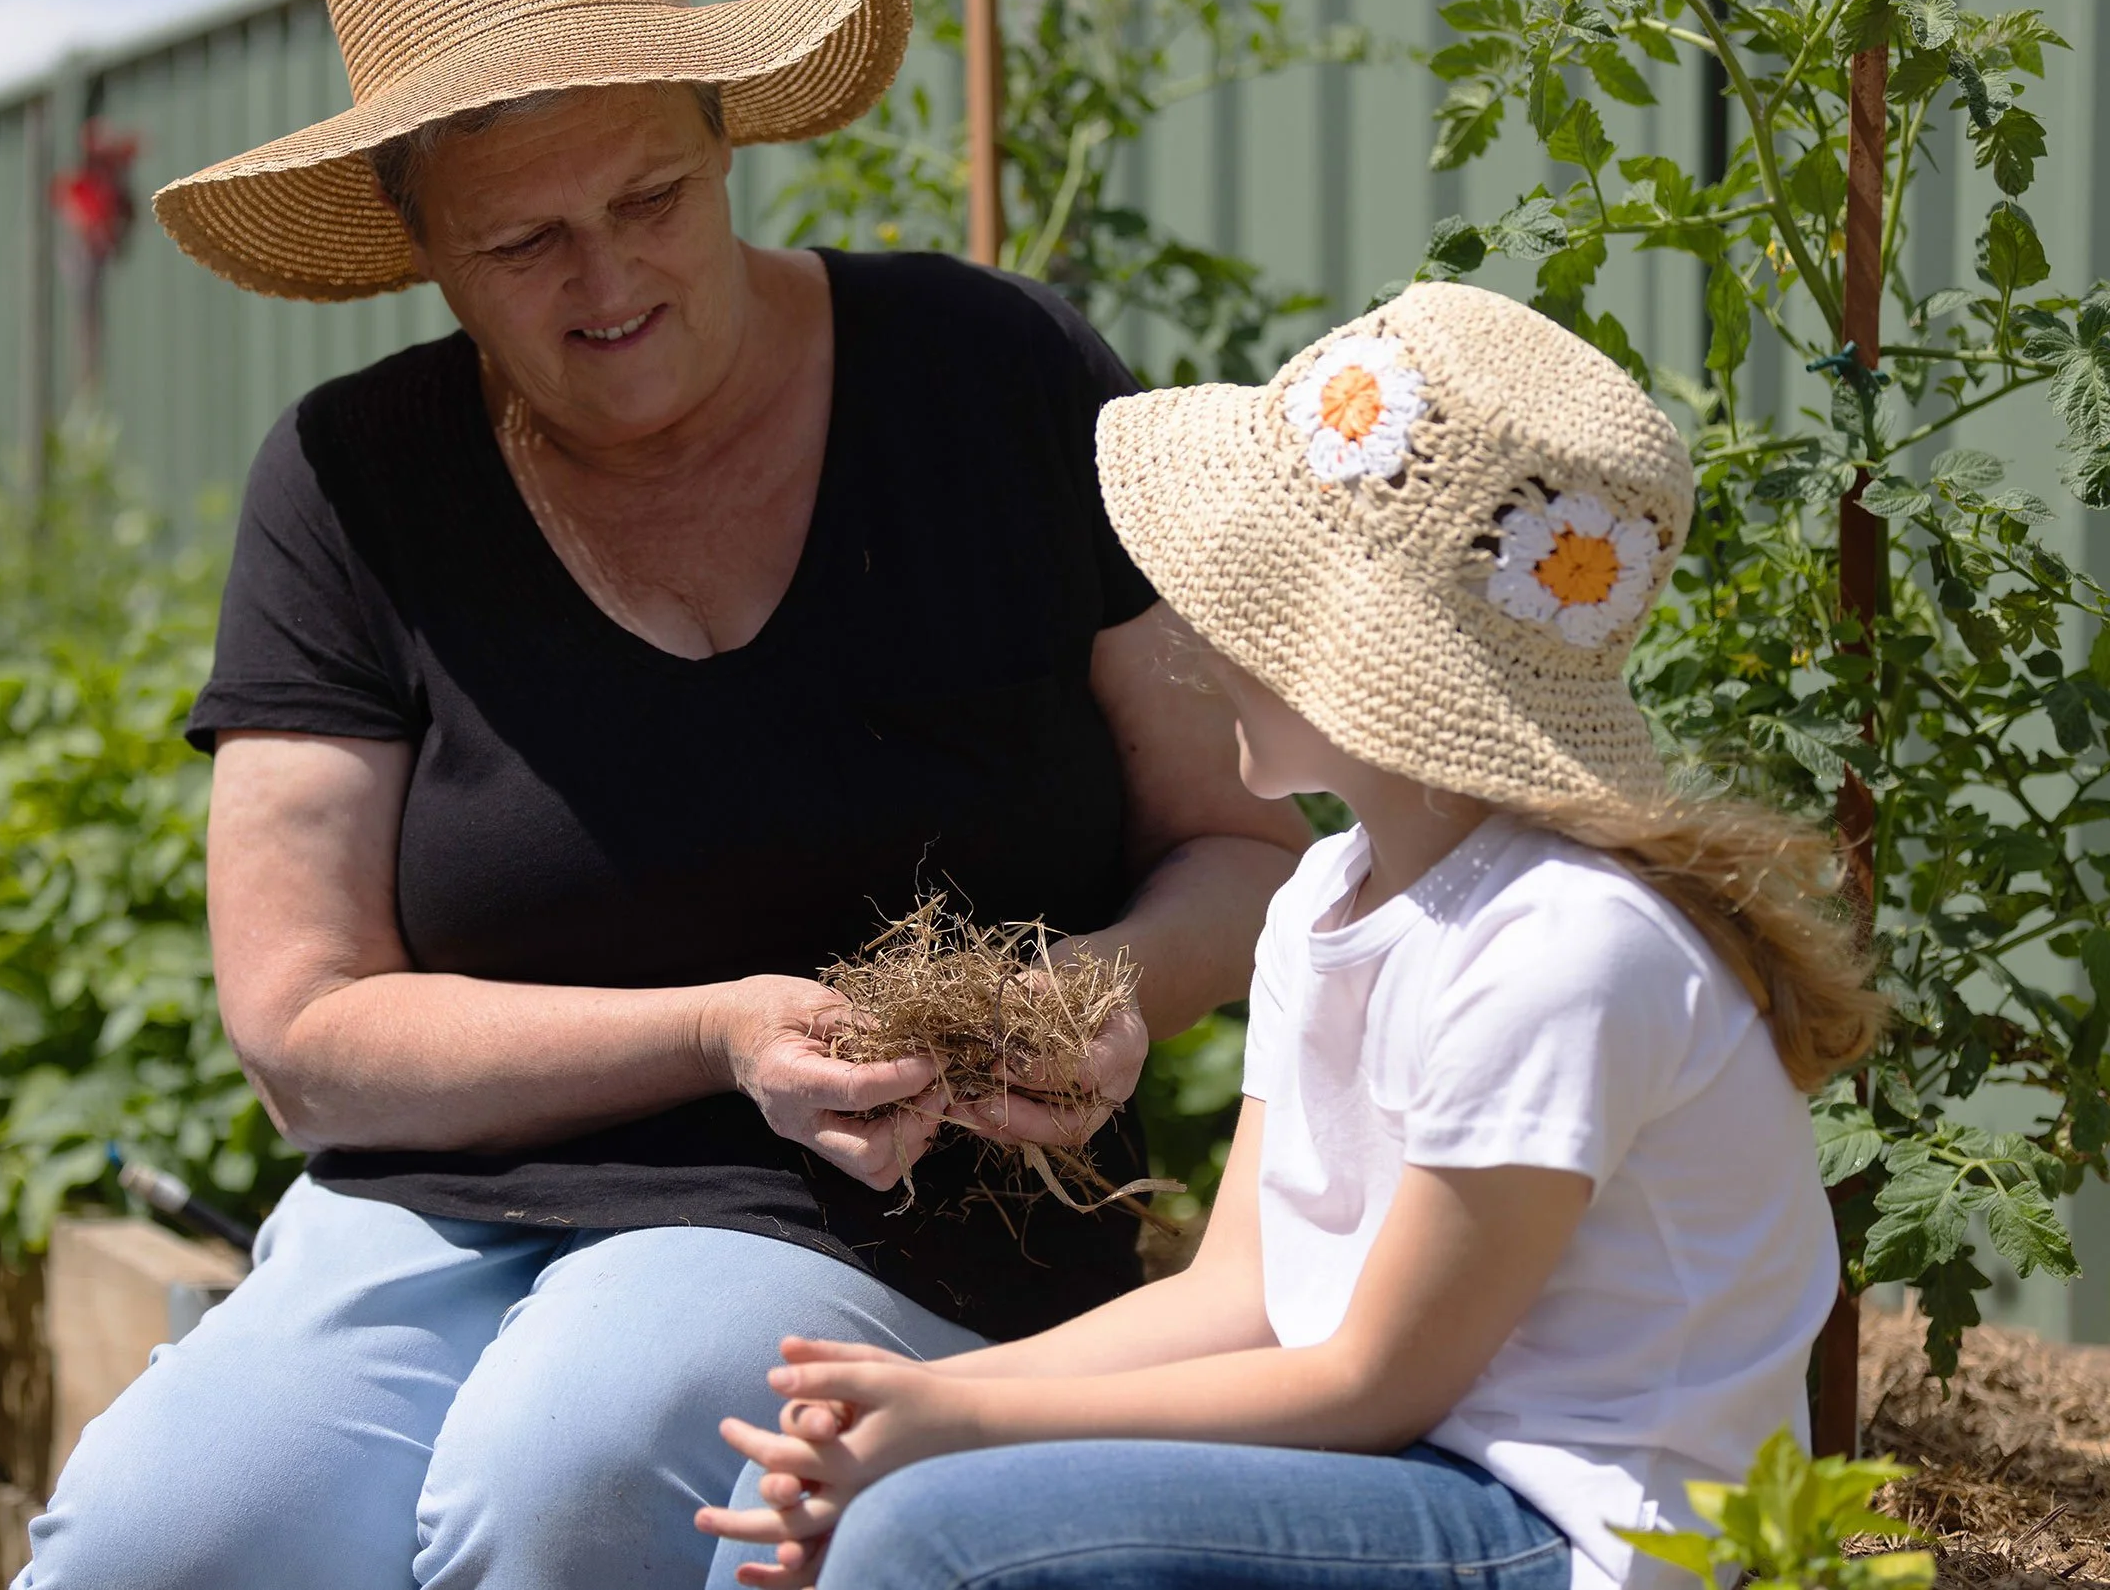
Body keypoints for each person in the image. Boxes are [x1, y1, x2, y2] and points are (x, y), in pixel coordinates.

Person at [10, 0, 1309, 1586]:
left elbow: (1242, 847)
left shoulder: (990, 376)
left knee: (578, 1458)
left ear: (725, 141)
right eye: (522, 242)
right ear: (419, 238)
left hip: (899, 1207)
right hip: (443, 1212)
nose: (609, 280)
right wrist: (710, 1029)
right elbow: (305, 1029)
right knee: (162, 1538)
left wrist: (1099, 987)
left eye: (650, 199)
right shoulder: (353, 478)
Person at [698, 281, 1889, 1590]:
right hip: (1409, 1471)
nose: (1205, 644)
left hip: (1582, 1531)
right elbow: (1247, 1298)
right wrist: (915, 1398)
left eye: (1251, 603)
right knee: (844, 1500)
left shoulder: (1564, 948)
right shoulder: (1329, 894)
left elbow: (1374, 1382)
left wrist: (960, 1423)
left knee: (929, 1539)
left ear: (1369, 663)